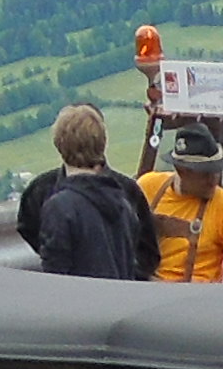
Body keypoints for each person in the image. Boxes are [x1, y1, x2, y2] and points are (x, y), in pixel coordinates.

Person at [25, 105, 158, 280]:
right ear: (102, 143)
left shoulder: (59, 207)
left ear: (59, 144)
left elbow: (56, 277)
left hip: (82, 297)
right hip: (119, 296)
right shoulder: (124, 200)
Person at [142, 121, 223, 286]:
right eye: (205, 173)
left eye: (216, 170)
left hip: (197, 297)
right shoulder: (147, 187)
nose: (213, 180)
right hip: (146, 291)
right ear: (181, 170)